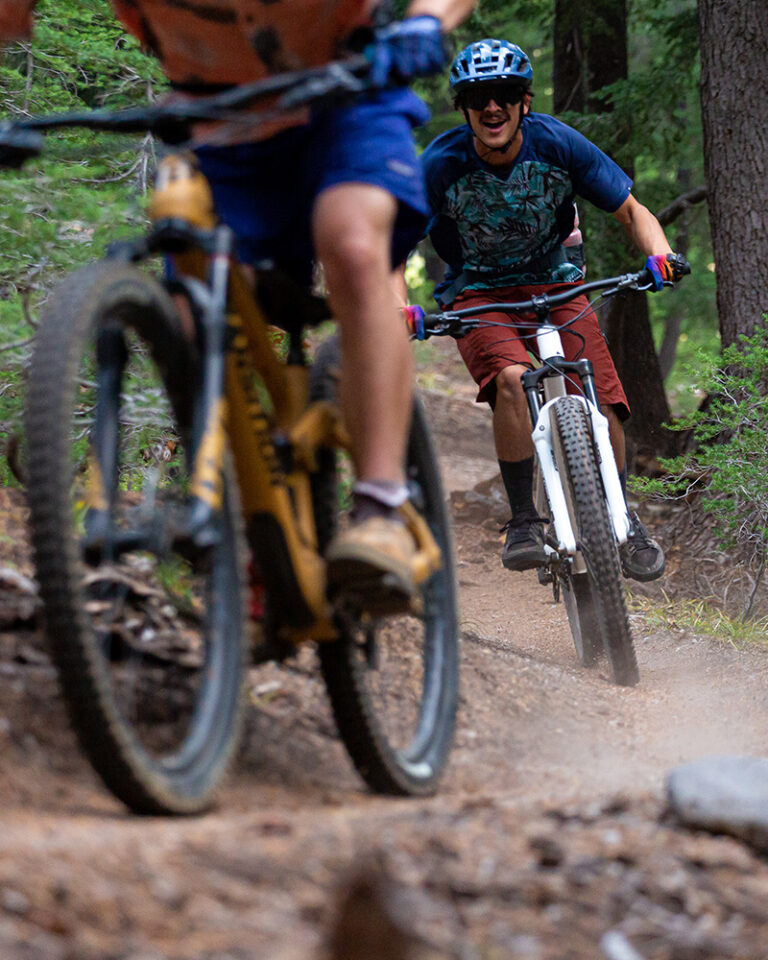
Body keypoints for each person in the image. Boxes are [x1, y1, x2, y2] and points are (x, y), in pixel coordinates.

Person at [0, 0, 475, 611]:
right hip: (215, 123)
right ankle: (246, 517)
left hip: (345, 101)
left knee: (353, 247)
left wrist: (426, 21)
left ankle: (383, 505)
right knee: (194, 317)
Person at [416, 37, 688, 582]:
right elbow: (392, 241)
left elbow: (631, 211)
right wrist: (399, 302)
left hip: (555, 283)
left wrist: (660, 257)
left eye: (505, 93)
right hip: (478, 294)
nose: (492, 106)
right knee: (514, 383)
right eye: (478, 96)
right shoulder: (441, 164)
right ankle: (523, 521)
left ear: (524, 101)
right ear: (463, 107)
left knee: (602, 400)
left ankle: (623, 519)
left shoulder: (556, 143)